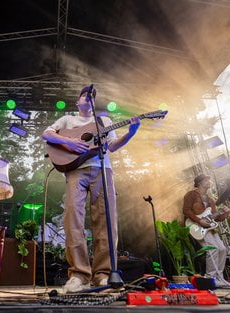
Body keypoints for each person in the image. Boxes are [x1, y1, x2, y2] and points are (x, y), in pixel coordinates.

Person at [42, 86, 140, 292]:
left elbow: (112, 146)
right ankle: (79, 275)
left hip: (103, 170)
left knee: (106, 221)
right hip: (76, 171)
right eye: (85, 95)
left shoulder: (104, 122)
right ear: (78, 102)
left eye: (92, 96)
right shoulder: (67, 120)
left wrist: (131, 133)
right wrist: (69, 141)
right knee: (73, 218)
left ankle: (103, 274)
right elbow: (47, 134)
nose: (89, 97)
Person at [182, 174, 230, 286]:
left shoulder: (211, 200)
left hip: (210, 228)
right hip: (197, 227)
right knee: (213, 248)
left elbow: (216, 217)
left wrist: (226, 212)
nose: (209, 182)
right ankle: (210, 277)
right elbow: (186, 210)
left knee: (222, 249)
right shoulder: (191, 195)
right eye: (206, 180)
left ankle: (219, 277)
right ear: (200, 182)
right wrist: (199, 221)